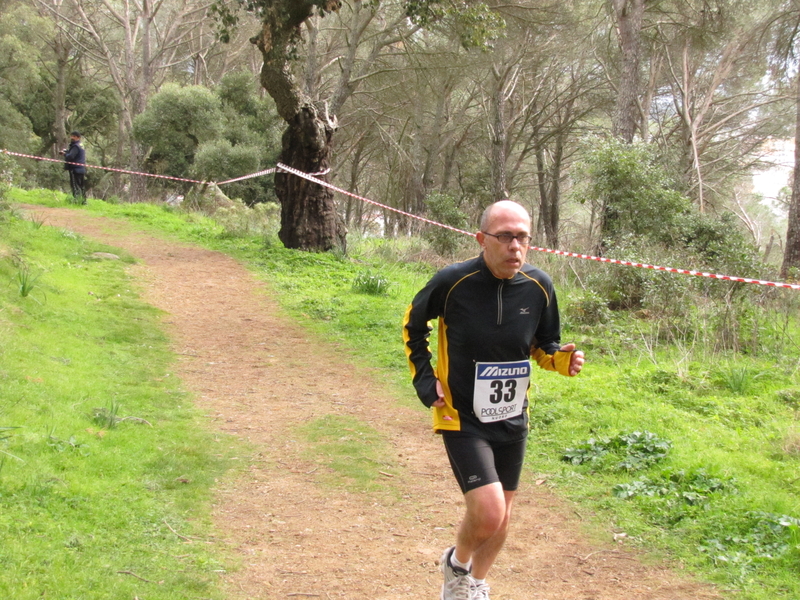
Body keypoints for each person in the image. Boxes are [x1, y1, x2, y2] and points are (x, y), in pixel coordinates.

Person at [403, 200, 584, 600]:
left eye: (522, 237)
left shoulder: (540, 287)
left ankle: (475, 586)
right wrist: (423, 376)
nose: (514, 246)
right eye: (505, 237)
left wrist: (562, 361)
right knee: (489, 511)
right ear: (482, 239)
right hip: (461, 414)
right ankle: (457, 565)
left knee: (503, 518)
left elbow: (544, 346)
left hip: (512, 416)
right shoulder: (452, 281)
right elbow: (413, 325)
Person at [60, 131, 86, 203]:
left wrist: (64, 154)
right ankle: (83, 200)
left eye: (74, 136)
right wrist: (67, 151)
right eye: (71, 136)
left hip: (75, 169)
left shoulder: (75, 146)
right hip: (81, 168)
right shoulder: (80, 145)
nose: (72, 138)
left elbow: (71, 156)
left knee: (75, 185)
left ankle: (77, 200)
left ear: (78, 137)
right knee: (81, 185)